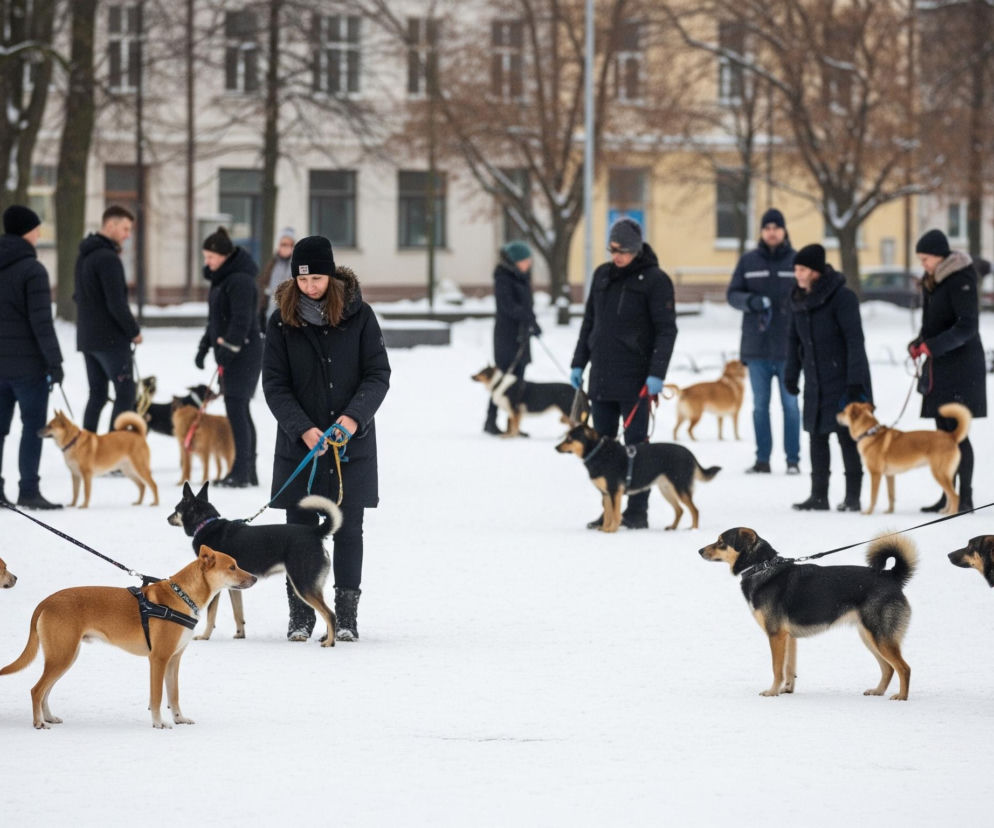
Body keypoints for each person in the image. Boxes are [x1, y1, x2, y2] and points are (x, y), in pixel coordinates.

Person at [263, 235, 390, 641]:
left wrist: (351, 420)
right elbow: (275, 385)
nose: (310, 287)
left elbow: (377, 374)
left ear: (331, 275)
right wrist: (303, 427)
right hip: (299, 444)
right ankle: (300, 614)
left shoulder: (360, 315)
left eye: (317, 278)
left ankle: (347, 616)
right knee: (297, 532)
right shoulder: (281, 320)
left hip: (350, 444)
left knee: (349, 529)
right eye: (303, 280)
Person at [569, 217, 677, 530]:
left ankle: (637, 511)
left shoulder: (656, 280)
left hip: (636, 380)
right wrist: (579, 362)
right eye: (613, 250)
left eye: (624, 251)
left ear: (637, 249)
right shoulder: (602, 275)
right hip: (601, 377)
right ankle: (609, 511)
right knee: (602, 448)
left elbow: (666, 331)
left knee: (636, 447)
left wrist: (657, 373)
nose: (617, 256)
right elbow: (590, 323)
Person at [785, 244, 872, 511]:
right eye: (796, 269)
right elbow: (793, 341)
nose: (797, 274)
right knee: (816, 435)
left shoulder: (842, 297)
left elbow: (855, 341)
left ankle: (853, 497)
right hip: (815, 379)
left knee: (847, 438)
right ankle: (819, 495)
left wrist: (856, 383)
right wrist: (791, 372)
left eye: (802, 269)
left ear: (815, 271)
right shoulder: (798, 299)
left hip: (844, 378)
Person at [908, 228, 986, 513]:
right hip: (940, 367)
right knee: (942, 435)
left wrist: (933, 346)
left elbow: (967, 326)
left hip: (962, 368)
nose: (923, 264)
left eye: (925, 258)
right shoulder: (934, 281)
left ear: (940, 256)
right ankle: (948, 495)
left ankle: (964, 499)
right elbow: (933, 324)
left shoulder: (960, 278)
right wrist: (919, 343)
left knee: (957, 434)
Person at [726, 208, 801, 475]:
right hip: (756, 349)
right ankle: (763, 459)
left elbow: (808, 293)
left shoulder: (796, 260)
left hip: (789, 348)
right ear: (761, 231)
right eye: (767, 227)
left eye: (776, 228)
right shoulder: (748, 261)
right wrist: (751, 302)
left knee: (791, 406)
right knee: (759, 407)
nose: (772, 232)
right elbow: (732, 294)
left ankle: (793, 459)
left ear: (784, 231)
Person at [0, 205, 64, 510]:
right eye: (37, 228)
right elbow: (41, 322)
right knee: (33, 427)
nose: (39, 233)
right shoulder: (32, 270)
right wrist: (55, 362)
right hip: (27, 367)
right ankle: (28, 489)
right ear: (28, 230)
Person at [195, 226, 262, 487]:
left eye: (210, 257)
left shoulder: (240, 280)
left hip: (244, 353)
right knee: (238, 409)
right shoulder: (222, 279)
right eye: (205, 257)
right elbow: (216, 320)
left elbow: (241, 319)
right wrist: (204, 346)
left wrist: (229, 349)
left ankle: (242, 471)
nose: (207, 263)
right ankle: (245, 470)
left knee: (237, 409)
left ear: (224, 256)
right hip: (231, 352)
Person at [73, 204, 142, 433]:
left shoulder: (84, 256)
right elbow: (116, 303)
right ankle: (114, 453)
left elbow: (78, 296)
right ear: (109, 225)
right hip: (110, 340)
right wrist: (133, 331)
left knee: (98, 394)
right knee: (126, 393)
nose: (127, 235)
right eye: (125, 228)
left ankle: (86, 451)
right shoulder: (108, 258)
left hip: (88, 338)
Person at [484, 240, 540, 436]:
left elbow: (526, 307)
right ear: (516, 261)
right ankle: (490, 421)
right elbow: (508, 307)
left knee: (519, 384)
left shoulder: (522, 278)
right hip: (507, 337)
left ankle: (513, 424)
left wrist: (533, 323)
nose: (529, 264)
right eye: (525, 260)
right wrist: (528, 318)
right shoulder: (503, 278)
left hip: (522, 336)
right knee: (503, 381)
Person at [258, 227, 295, 327]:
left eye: (290, 245)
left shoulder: (296, 265)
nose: (286, 248)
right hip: (270, 309)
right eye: (283, 244)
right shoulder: (272, 264)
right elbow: (263, 284)